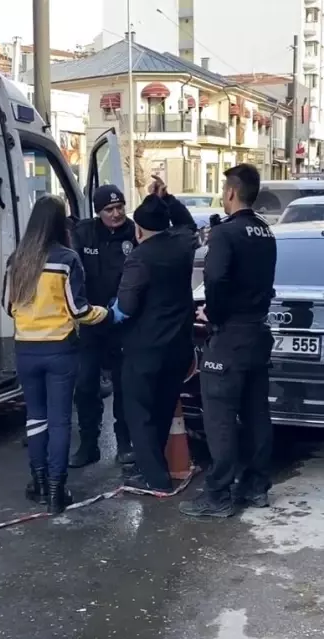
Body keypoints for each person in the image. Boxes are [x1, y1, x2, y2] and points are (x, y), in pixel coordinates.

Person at [180, 163, 277, 519]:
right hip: (257, 333)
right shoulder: (266, 232)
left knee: (219, 416)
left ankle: (218, 494)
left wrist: (214, 315)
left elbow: (216, 280)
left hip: (230, 337)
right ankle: (256, 486)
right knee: (256, 413)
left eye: (224, 190)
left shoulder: (225, 233)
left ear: (231, 192)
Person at [3, 195, 110, 514]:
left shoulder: (17, 260)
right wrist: (105, 314)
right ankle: (56, 492)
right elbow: (79, 310)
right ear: (60, 223)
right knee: (60, 420)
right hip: (60, 350)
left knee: (36, 418)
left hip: (26, 350)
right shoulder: (66, 259)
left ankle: (37, 483)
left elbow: (8, 306)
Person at [111, 178, 198, 492]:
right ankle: (156, 467)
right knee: (162, 407)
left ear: (138, 230)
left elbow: (126, 306)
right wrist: (168, 199)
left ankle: (154, 477)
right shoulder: (183, 244)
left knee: (139, 412)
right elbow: (188, 224)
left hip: (145, 348)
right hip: (179, 346)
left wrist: (109, 311)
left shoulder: (140, 257)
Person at [69, 184, 134, 469]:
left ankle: (124, 443)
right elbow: (73, 274)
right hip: (91, 323)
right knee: (85, 386)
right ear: (98, 212)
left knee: (124, 386)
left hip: (123, 324)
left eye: (120, 207)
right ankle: (88, 445)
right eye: (109, 209)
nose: (116, 213)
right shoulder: (84, 233)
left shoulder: (134, 232)